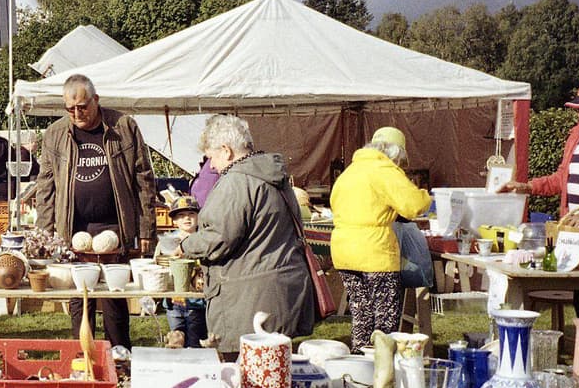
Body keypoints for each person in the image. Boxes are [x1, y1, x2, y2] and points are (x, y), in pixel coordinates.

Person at [35, 74, 156, 350]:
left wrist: (146, 229)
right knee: (80, 298)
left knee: (113, 299)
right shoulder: (55, 134)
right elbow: (46, 186)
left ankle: (120, 359)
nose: (77, 113)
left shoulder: (123, 126)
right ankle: (84, 360)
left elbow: (144, 180)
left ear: (96, 99)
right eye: (70, 108)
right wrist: (44, 236)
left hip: (114, 228)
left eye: (82, 106)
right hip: (74, 230)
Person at [175, 114, 314, 354]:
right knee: (276, 368)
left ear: (226, 150)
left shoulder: (236, 182)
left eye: (211, 158)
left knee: (245, 375)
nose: (212, 166)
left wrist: (186, 245)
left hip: (249, 300)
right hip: (280, 289)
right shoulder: (271, 176)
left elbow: (219, 237)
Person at [501, 79, 579, 339]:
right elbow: (561, 179)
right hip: (578, 240)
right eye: (578, 109)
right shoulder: (575, 136)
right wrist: (526, 186)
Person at [330, 126, 431, 352]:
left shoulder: (351, 171)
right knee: (385, 318)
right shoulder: (385, 170)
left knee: (361, 313)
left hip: (344, 251)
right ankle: (383, 368)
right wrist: (428, 197)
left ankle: (360, 368)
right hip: (375, 251)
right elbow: (413, 205)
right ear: (396, 153)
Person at [155, 195, 207, 348]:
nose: (187, 218)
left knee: (194, 341)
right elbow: (157, 264)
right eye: (181, 215)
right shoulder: (167, 241)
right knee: (176, 338)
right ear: (174, 220)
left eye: (191, 214)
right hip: (174, 302)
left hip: (197, 302)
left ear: (198, 217)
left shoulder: (203, 240)